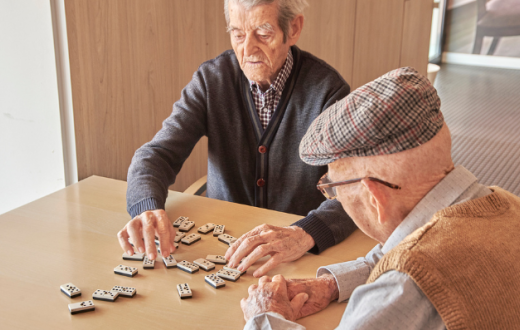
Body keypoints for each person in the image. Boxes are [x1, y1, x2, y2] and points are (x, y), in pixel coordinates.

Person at [241, 67, 520, 329]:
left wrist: (266, 318)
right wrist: (332, 285)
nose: (334, 195)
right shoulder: (506, 203)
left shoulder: (404, 287)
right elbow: (413, 243)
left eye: (333, 188)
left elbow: (412, 267)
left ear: (374, 196)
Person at [118, 0, 357, 271]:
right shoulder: (211, 80)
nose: (248, 49)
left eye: (263, 33)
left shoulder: (328, 91)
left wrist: (305, 233)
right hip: (220, 250)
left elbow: (353, 188)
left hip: (293, 253)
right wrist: (147, 207)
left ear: (293, 28)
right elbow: (155, 155)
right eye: (238, 34)